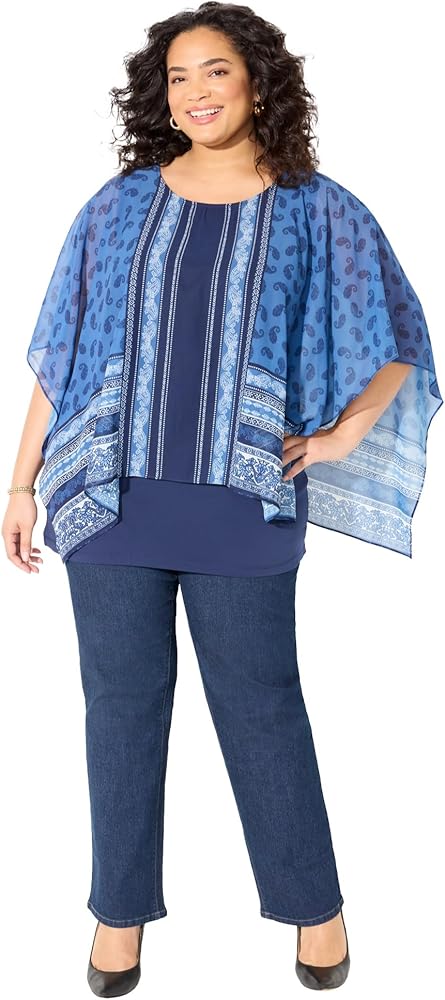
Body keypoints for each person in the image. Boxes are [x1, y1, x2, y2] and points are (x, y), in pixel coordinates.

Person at [2, 2, 442, 996]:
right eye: (178, 77)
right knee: (119, 710)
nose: (196, 92)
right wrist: (21, 482)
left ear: (256, 83)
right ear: (161, 99)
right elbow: (62, 355)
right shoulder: (118, 205)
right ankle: (117, 916)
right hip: (109, 502)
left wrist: (341, 435)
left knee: (262, 709)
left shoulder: (314, 207)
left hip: (243, 503)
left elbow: (397, 331)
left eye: (215, 71)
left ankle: (314, 907)